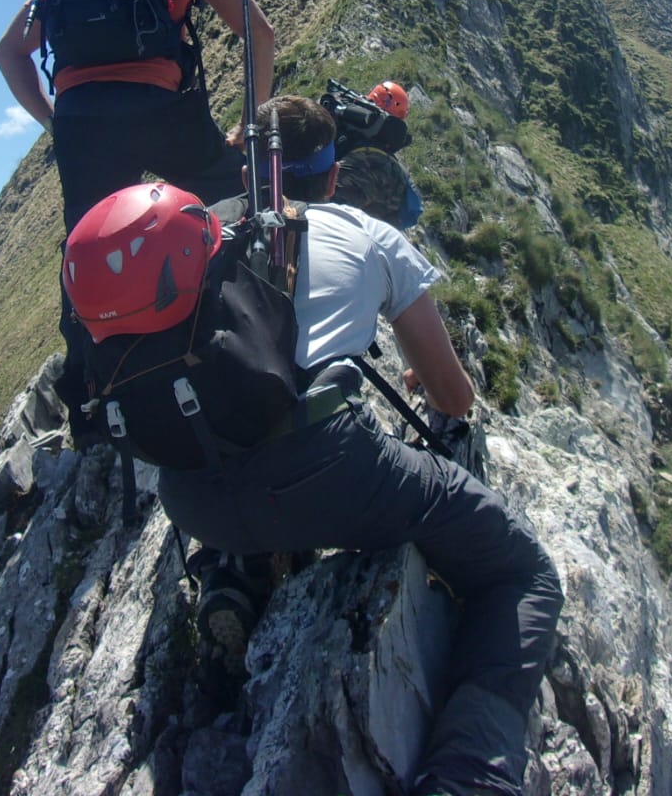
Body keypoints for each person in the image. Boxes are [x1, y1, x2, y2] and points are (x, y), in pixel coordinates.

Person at [156, 95, 563, 796]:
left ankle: (239, 572)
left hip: (190, 493)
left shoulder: (205, 232)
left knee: (249, 433)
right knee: (523, 576)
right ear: (333, 176)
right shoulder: (369, 235)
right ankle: (468, 777)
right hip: (327, 470)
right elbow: (453, 399)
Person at [0, 0, 275, 424]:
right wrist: (250, 120)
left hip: (82, 122)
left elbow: (9, 55)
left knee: (87, 246)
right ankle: (238, 322)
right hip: (162, 110)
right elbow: (258, 34)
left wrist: (55, 125)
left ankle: (93, 392)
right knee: (228, 192)